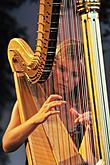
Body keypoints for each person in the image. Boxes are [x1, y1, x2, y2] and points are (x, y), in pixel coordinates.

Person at [2, 40, 95, 165]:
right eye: (62, 69)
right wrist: (36, 119)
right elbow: (7, 145)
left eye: (74, 75)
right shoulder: (31, 99)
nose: (66, 79)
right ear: (52, 68)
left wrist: (91, 131)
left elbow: (89, 161)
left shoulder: (85, 107)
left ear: (82, 78)